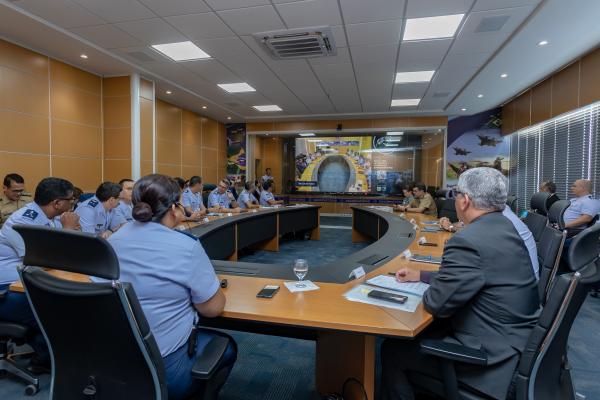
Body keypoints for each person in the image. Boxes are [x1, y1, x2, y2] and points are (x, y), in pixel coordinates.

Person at [382, 168, 540, 400]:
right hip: (517, 343)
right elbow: (481, 275)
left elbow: (437, 303)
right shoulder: (505, 227)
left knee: (393, 350)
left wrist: (434, 287)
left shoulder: (468, 240)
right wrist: (424, 276)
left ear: (465, 200)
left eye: (456, 195)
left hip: (491, 360)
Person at [104, 174, 237, 400]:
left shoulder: (112, 241)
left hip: (112, 359)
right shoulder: (186, 246)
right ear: (175, 208)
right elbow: (212, 309)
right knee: (228, 347)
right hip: (165, 367)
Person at [0, 177, 80, 372]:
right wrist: (68, 231)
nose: (74, 204)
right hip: (5, 292)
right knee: (55, 309)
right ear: (57, 203)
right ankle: (43, 360)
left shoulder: (45, 218)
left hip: (25, 284)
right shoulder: (24, 222)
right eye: (71, 200)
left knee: (66, 302)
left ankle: (48, 353)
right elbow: (45, 262)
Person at [440, 205, 539, 280]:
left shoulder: (501, 219)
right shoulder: (500, 212)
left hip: (515, 291)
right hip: (514, 281)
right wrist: (451, 227)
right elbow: (467, 228)